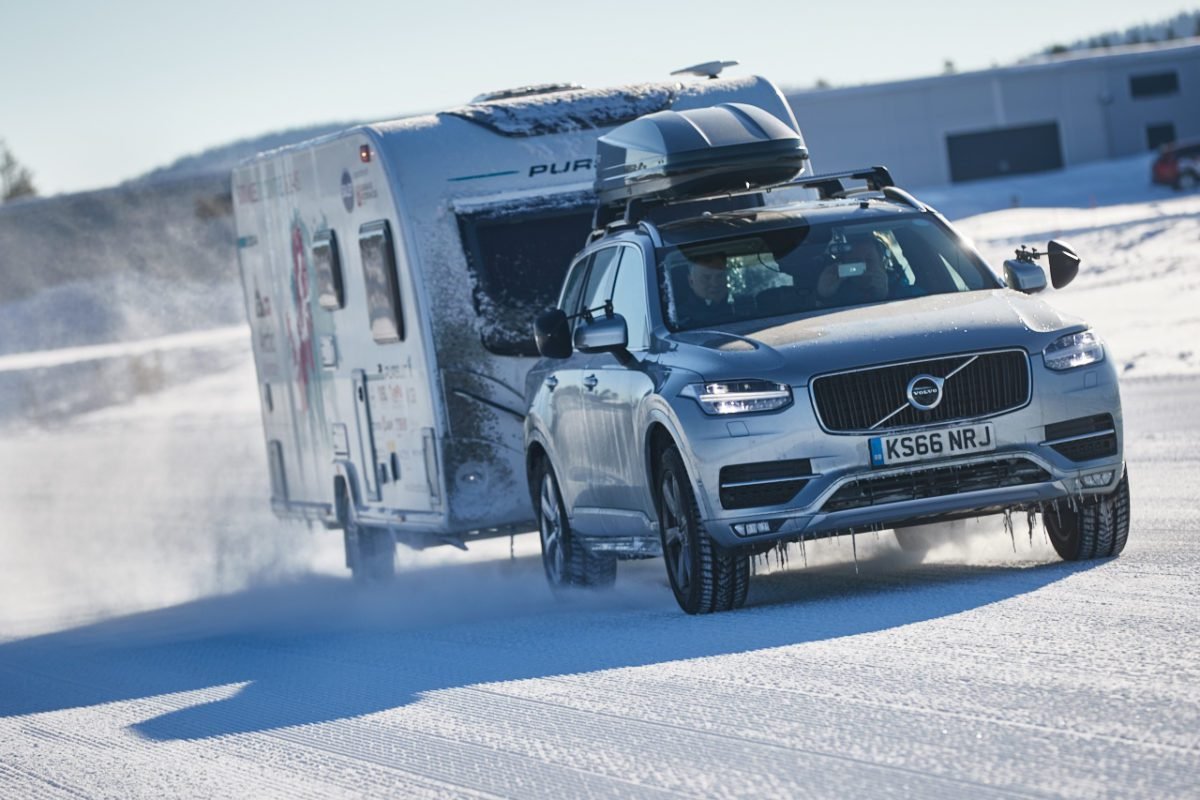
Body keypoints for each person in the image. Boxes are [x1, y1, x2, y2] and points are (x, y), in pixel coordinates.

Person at [816, 235, 890, 307]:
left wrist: (885, 295)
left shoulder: (896, 283)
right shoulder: (836, 286)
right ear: (844, 263)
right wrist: (823, 296)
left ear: (881, 262)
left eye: (869, 260)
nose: (863, 266)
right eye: (855, 261)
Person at [673, 250, 737, 326]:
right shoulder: (680, 319)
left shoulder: (743, 307)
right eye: (706, 277)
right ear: (691, 281)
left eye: (720, 276)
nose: (715, 283)